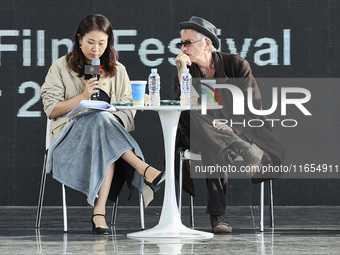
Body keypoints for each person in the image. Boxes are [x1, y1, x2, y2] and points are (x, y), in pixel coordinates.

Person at [41, 14, 164, 235]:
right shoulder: (60, 67)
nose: (95, 49)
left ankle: (99, 213)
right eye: (90, 42)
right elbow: (52, 110)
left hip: (105, 137)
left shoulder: (118, 69)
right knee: (99, 123)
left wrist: (109, 115)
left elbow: (129, 111)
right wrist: (82, 97)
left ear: (109, 43)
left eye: (101, 43)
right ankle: (142, 167)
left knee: (102, 123)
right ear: (79, 39)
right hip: (69, 139)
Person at [174, 16, 285, 233]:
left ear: (206, 43)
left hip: (237, 129)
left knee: (213, 145)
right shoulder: (186, 70)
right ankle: (242, 148)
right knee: (198, 119)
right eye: (181, 43)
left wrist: (230, 127)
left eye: (188, 42)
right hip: (198, 131)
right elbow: (186, 108)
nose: (183, 48)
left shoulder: (236, 64)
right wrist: (181, 73)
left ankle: (218, 216)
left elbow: (253, 106)